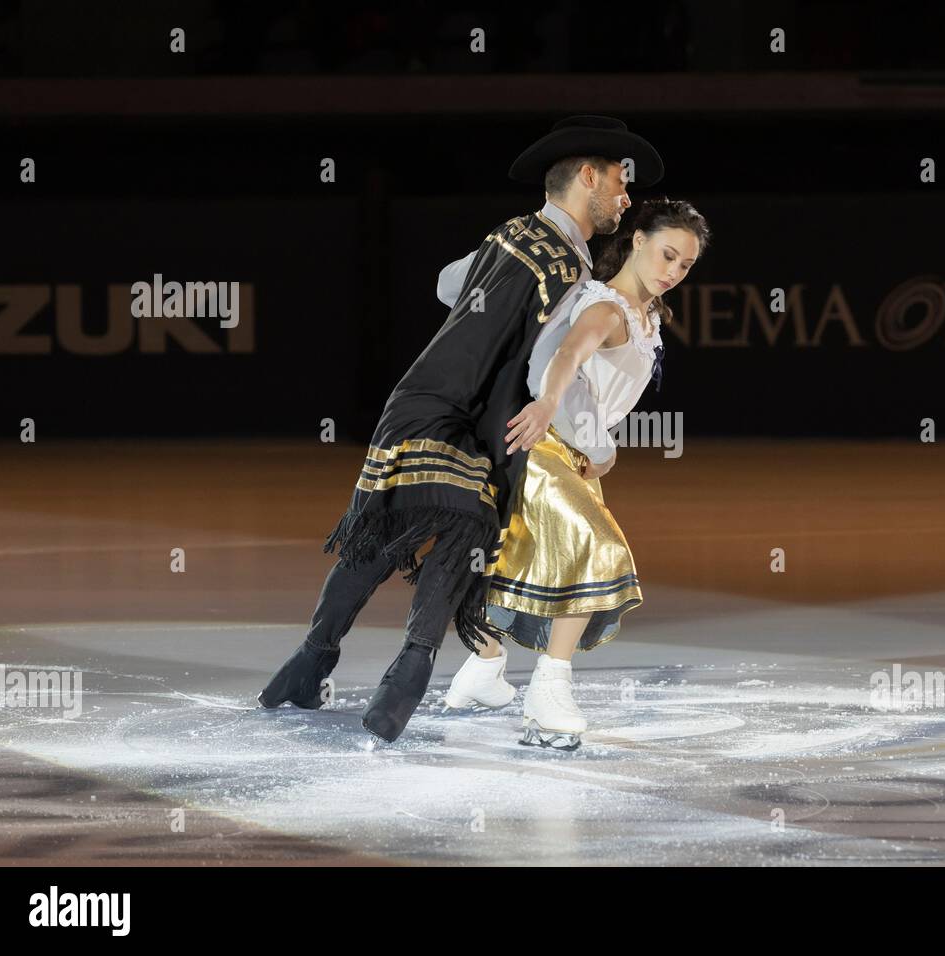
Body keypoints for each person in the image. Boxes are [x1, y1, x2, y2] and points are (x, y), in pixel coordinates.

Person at [257, 116, 664, 744]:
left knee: (380, 535)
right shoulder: (572, 278)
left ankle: (308, 665)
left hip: (418, 398)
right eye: (619, 181)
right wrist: (598, 445)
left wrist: (490, 315)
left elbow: (449, 283)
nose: (626, 197)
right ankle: (403, 685)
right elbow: (544, 369)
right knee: (457, 542)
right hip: (475, 416)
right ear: (589, 177)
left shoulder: (509, 235)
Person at [441, 198, 711, 749]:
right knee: (595, 546)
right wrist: (551, 408)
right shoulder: (606, 307)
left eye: (684, 265)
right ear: (637, 241)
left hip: (574, 455)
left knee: (522, 559)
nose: (673, 272)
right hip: (544, 445)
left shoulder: (645, 313)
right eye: (666, 254)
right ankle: (548, 690)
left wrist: (594, 445)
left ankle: (484, 664)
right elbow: (564, 357)